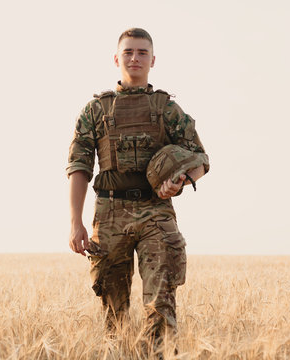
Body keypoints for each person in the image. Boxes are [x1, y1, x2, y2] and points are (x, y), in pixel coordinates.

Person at [66, 28, 209, 351]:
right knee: (113, 310)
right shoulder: (96, 110)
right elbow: (79, 166)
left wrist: (182, 180)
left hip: (156, 213)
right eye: (129, 52)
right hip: (110, 212)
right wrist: (76, 222)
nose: (135, 58)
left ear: (153, 60)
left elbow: (201, 159)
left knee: (161, 303)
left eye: (142, 52)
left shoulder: (166, 109)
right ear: (117, 59)